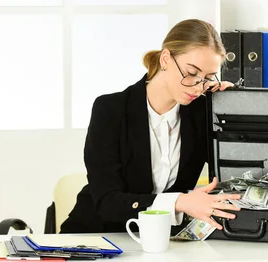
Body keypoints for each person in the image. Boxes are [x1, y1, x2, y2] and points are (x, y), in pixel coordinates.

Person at [60, 19, 242, 234]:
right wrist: (179, 202)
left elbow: (236, 166)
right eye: (191, 73)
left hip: (163, 239)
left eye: (208, 78)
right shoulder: (110, 110)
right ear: (166, 59)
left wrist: (233, 104)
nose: (197, 86)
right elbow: (107, 201)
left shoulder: (202, 113)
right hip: (99, 235)